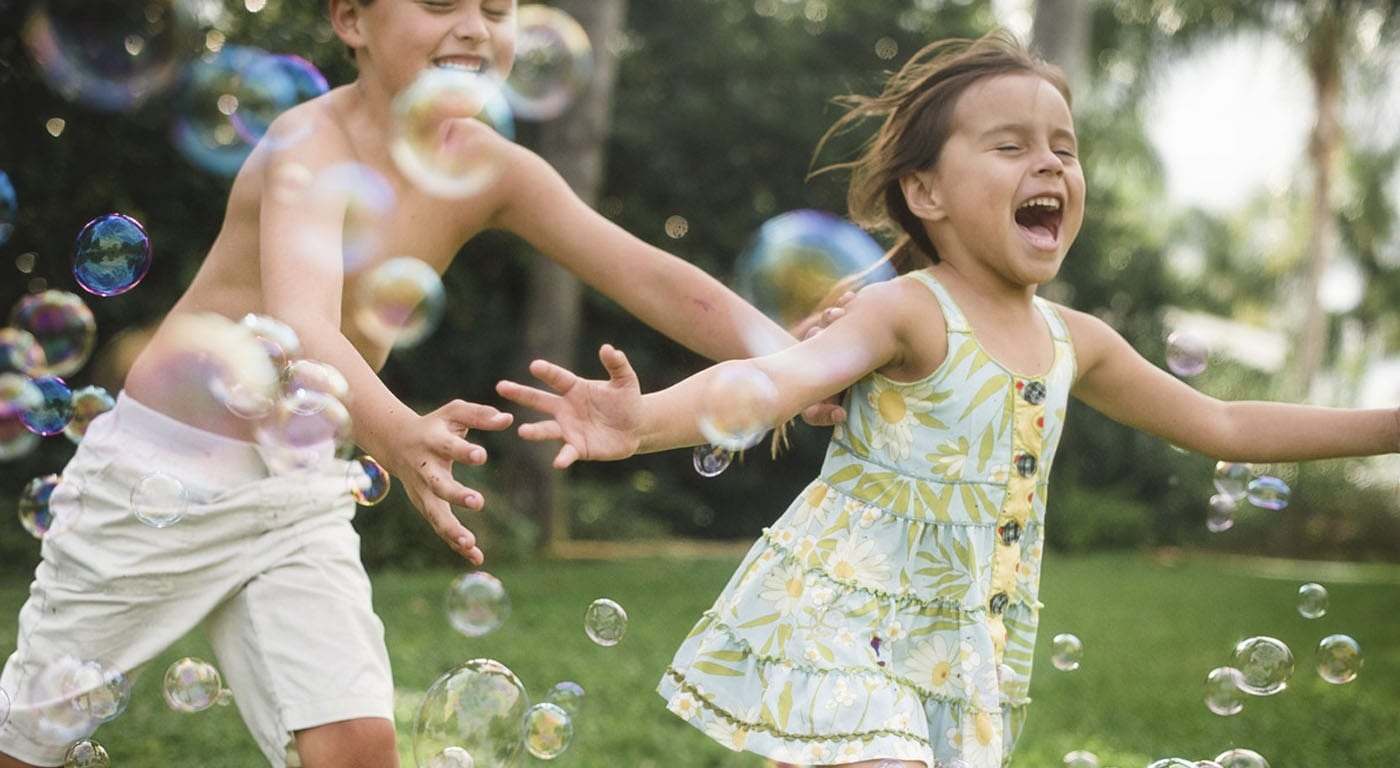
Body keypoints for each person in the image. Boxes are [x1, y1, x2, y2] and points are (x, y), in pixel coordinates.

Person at [495, 31, 1400, 768]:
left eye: (1063, 149)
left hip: (966, 644)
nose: (1047, 163)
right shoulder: (905, 313)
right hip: (845, 619)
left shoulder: (1074, 340)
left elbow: (1224, 424)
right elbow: (774, 380)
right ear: (925, 191)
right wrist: (643, 419)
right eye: (1009, 146)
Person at [0, 1, 841, 765]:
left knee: (356, 743)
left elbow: (651, 277)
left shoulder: (494, 167)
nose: (476, 27)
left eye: (499, 9)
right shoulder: (308, 143)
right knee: (35, 731)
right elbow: (300, 328)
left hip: (297, 487)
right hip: (167, 475)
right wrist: (397, 431)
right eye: (441, 3)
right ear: (352, 20)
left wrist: (793, 363)